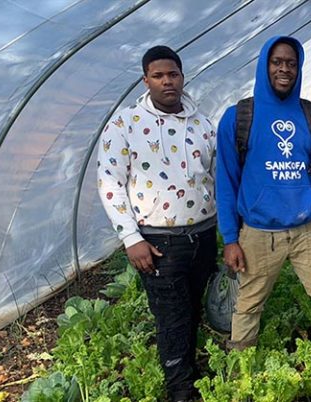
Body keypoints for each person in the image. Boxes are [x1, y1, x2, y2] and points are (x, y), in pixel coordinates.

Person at [97, 45, 217, 402]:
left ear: (183, 76)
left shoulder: (202, 124)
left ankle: (189, 371)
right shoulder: (125, 124)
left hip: (203, 234)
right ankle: (180, 390)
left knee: (193, 307)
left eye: (173, 74)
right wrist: (131, 237)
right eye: (158, 75)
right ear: (145, 80)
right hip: (158, 240)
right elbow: (109, 182)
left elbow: (214, 176)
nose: (167, 81)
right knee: (171, 315)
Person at [215, 36, 311, 352]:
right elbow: (226, 182)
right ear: (265, 65)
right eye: (277, 62)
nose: (284, 69)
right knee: (248, 304)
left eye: (291, 63)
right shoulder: (238, 118)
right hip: (259, 233)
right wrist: (230, 238)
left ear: (299, 68)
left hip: (309, 230)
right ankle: (240, 372)